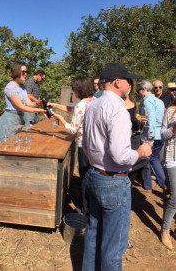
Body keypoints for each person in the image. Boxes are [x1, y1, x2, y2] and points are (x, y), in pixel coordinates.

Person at [82, 63, 152, 271]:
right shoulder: (118, 110)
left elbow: (85, 144)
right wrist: (141, 152)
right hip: (113, 180)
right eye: (128, 81)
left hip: (93, 175)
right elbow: (121, 156)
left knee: (93, 234)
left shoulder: (92, 106)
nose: (130, 85)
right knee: (114, 246)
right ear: (118, 82)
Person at [48, 75, 95, 214]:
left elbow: (73, 129)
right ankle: (93, 204)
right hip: (96, 145)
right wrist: (56, 105)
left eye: (74, 89)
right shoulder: (94, 101)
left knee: (85, 176)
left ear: (79, 90)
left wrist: (60, 118)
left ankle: (85, 208)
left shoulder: (81, 105)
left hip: (84, 146)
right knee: (93, 175)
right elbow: (73, 109)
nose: (73, 92)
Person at [0, 62, 46, 142]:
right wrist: (40, 110)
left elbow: (29, 103)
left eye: (26, 72)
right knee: (7, 146)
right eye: (24, 72)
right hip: (9, 121)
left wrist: (39, 103)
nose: (26, 74)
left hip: (18, 120)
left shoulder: (22, 88)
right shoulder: (10, 87)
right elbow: (21, 107)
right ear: (17, 72)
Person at [136, 80, 166, 193]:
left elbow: (151, 118)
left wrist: (150, 136)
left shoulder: (147, 101)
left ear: (143, 89)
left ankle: (147, 185)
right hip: (160, 134)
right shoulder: (159, 101)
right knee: (154, 158)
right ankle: (163, 182)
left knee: (146, 159)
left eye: (139, 90)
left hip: (152, 134)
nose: (138, 93)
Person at [160, 98, 176, 249]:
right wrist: (173, 128)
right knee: (175, 197)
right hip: (172, 158)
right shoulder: (171, 111)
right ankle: (165, 230)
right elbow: (163, 135)